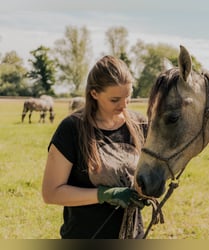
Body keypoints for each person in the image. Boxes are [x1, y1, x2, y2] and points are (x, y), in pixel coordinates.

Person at [42, 55, 148, 239]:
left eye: (128, 97)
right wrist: (104, 194)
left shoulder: (141, 124)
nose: (123, 105)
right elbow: (51, 193)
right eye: (115, 100)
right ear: (94, 94)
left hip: (132, 235)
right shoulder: (72, 129)